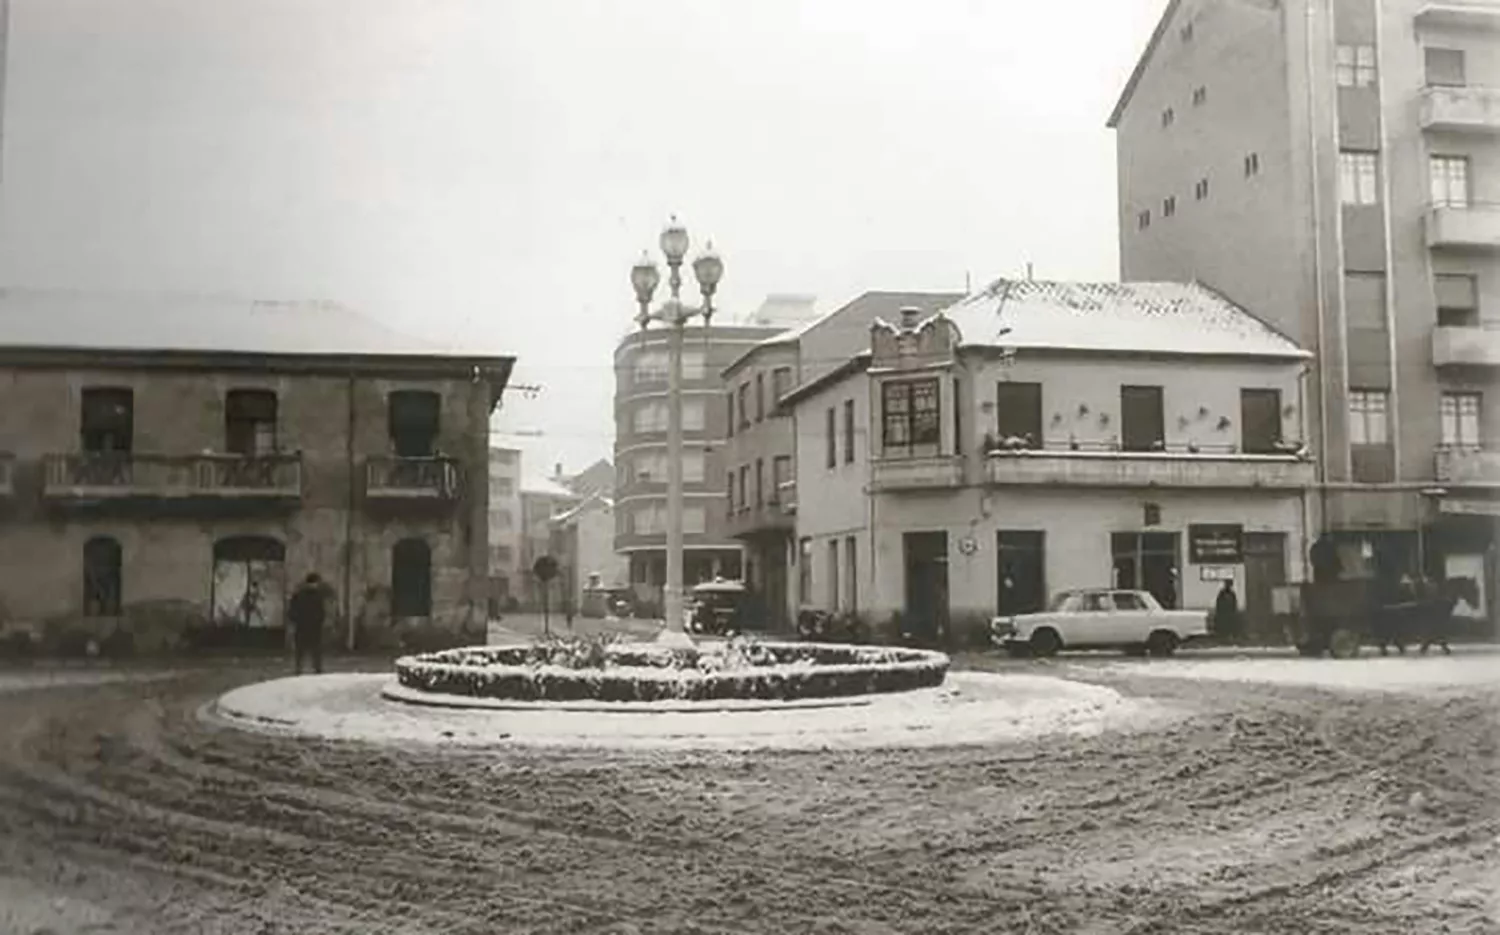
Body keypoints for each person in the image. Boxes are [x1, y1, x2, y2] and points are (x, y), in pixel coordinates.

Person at [288, 572, 331, 675]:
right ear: (315, 582)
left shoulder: (298, 594)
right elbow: (321, 612)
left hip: (301, 626)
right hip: (314, 627)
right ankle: (317, 669)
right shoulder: (318, 596)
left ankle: (298, 669)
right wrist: (320, 621)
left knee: (300, 650)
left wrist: (296, 621)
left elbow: (291, 611)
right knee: (315, 650)